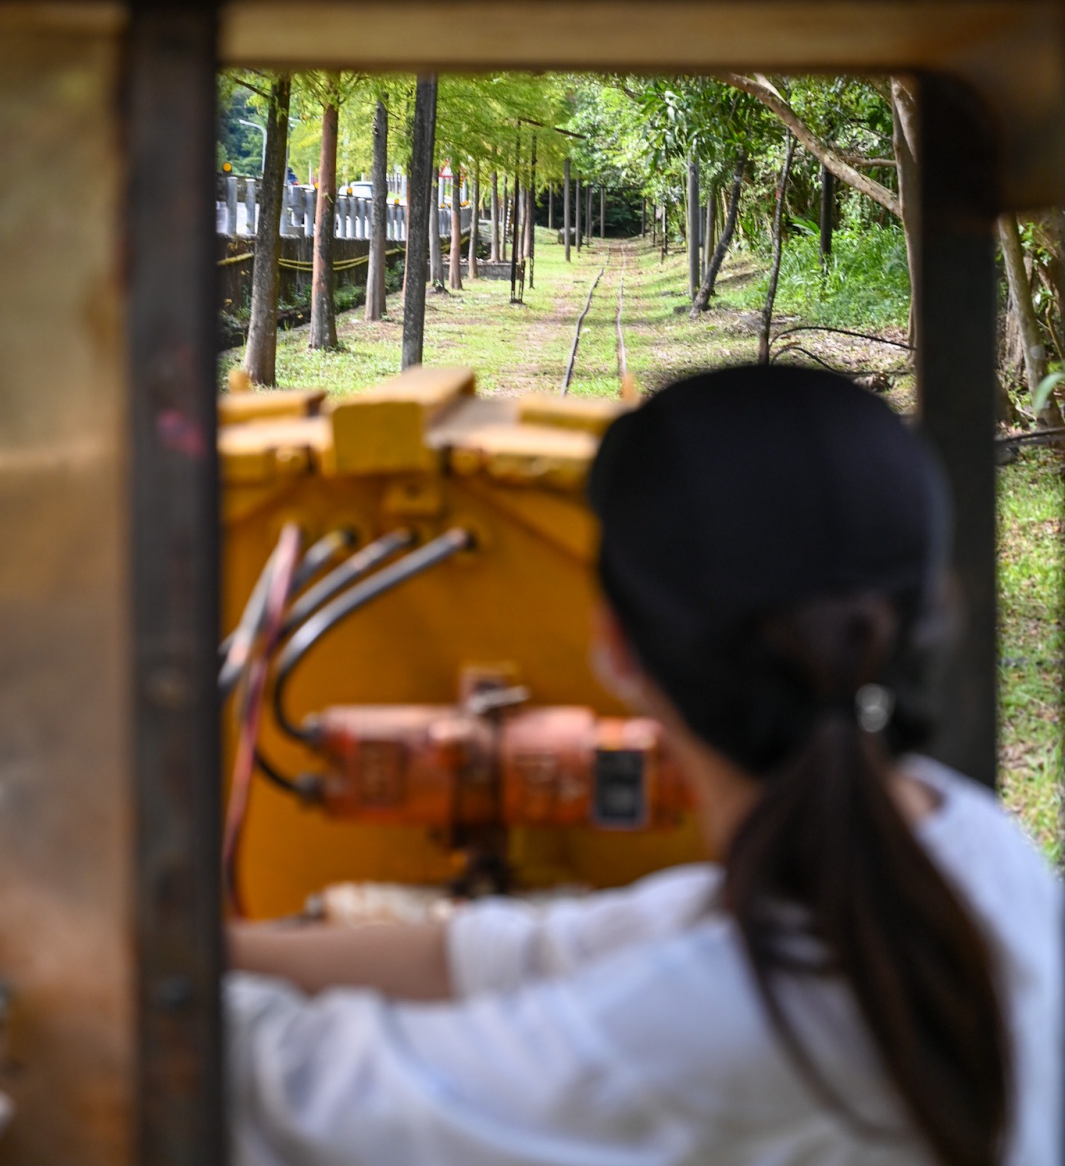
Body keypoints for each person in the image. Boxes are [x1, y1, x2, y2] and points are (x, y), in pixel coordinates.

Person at [227, 366, 1062, 1166]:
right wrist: (228, 952)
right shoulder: (972, 845)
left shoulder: (689, 1031)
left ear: (615, 648)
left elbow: (288, 1098)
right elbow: (529, 953)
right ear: (931, 614)